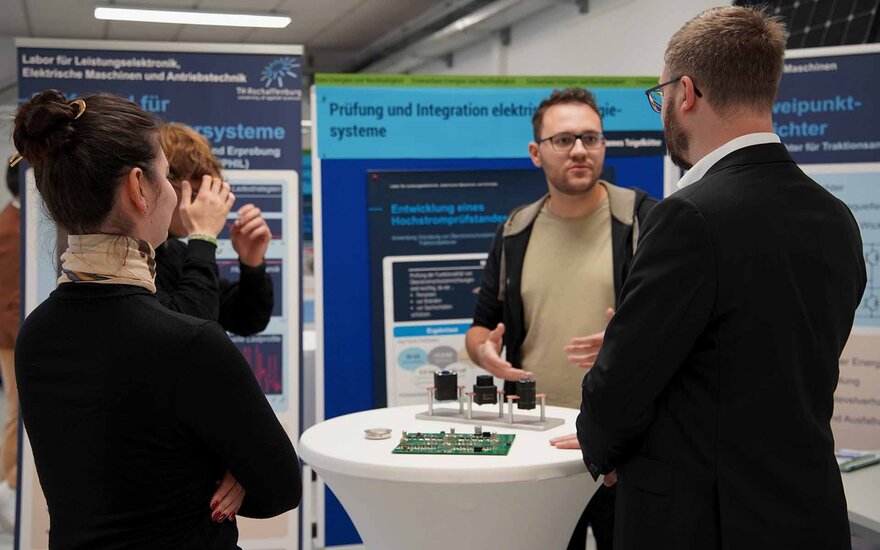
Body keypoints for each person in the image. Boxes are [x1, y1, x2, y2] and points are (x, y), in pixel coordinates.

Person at [576, 7, 866, 550]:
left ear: (686, 93)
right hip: (810, 517)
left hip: (703, 525)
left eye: (661, 95)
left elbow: (619, 391)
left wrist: (603, 449)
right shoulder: (837, 218)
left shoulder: (687, 217)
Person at [11, 90, 301, 549]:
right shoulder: (189, 343)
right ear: (138, 189)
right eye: (165, 176)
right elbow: (281, 487)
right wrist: (230, 467)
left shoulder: (36, 333)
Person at [466, 88, 656, 550]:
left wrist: (628, 337)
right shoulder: (515, 230)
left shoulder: (644, 221)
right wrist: (483, 352)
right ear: (536, 153)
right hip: (539, 438)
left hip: (621, 443)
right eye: (564, 140)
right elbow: (481, 325)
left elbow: (677, 330)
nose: (579, 150)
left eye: (591, 138)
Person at [156, 122, 273, 336]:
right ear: (161, 184)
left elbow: (247, 320)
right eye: (196, 193)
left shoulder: (174, 252)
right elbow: (189, 332)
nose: (204, 203)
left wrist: (252, 265)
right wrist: (203, 237)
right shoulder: (126, 260)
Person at [0, 163, 21, 532]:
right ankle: (8, 490)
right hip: (15, 337)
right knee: (20, 415)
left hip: (15, 335)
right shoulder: (12, 227)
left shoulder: (10, 221)